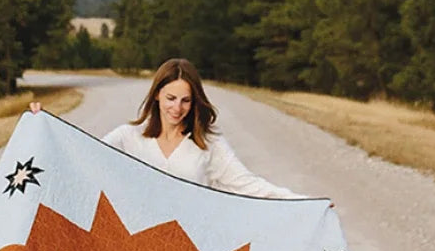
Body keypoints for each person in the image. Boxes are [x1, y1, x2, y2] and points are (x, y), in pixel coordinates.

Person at [101, 57, 305, 198]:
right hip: (137, 244)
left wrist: (299, 201)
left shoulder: (209, 144)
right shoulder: (128, 137)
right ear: (157, 94)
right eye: (170, 98)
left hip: (190, 246)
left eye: (186, 100)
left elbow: (248, 184)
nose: (177, 108)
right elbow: (85, 158)